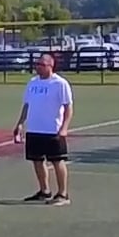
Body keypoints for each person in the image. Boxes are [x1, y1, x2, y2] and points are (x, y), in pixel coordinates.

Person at [13, 51, 74, 205]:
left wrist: (64, 128)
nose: (38, 67)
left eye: (41, 64)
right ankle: (44, 191)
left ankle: (63, 194)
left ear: (50, 66)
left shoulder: (60, 83)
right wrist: (20, 123)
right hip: (34, 129)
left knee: (57, 161)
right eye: (37, 64)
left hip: (52, 129)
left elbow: (68, 107)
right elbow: (27, 105)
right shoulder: (32, 83)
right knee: (37, 161)